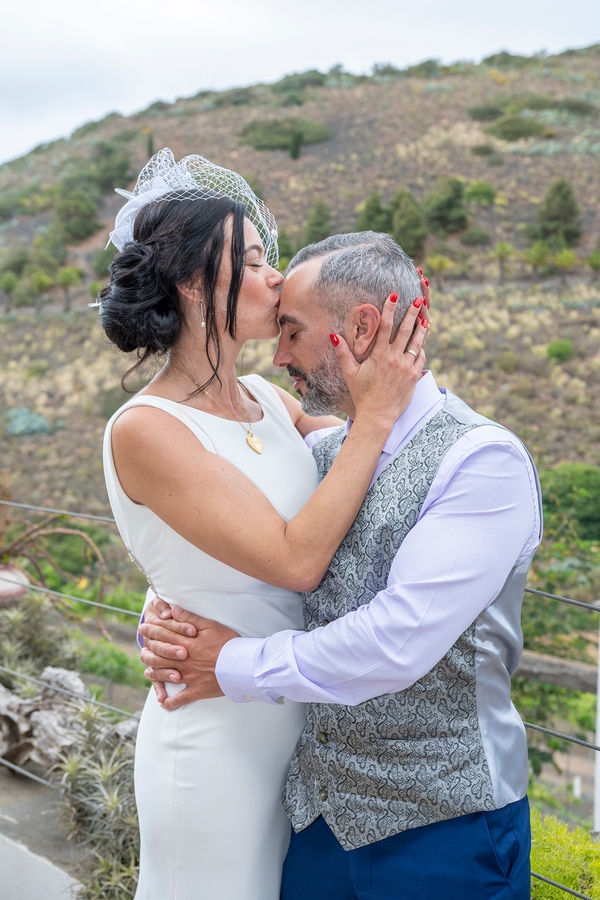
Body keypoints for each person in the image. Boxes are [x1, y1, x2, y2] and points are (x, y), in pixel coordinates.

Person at [141, 232, 543, 900]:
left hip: (447, 830)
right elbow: (249, 565)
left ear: (361, 327)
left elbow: (396, 643)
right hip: (319, 827)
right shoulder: (325, 460)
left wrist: (229, 663)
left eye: (293, 332)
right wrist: (171, 624)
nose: (280, 356)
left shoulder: (481, 461)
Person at [100, 149, 428, 900]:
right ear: (190, 282)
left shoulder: (266, 399)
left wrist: (380, 362)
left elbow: (372, 464)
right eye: (251, 260)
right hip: (212, 736)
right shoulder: (146, 428)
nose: (275, 277)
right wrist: (374, 417)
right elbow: (294, 558)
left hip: (289, 727)